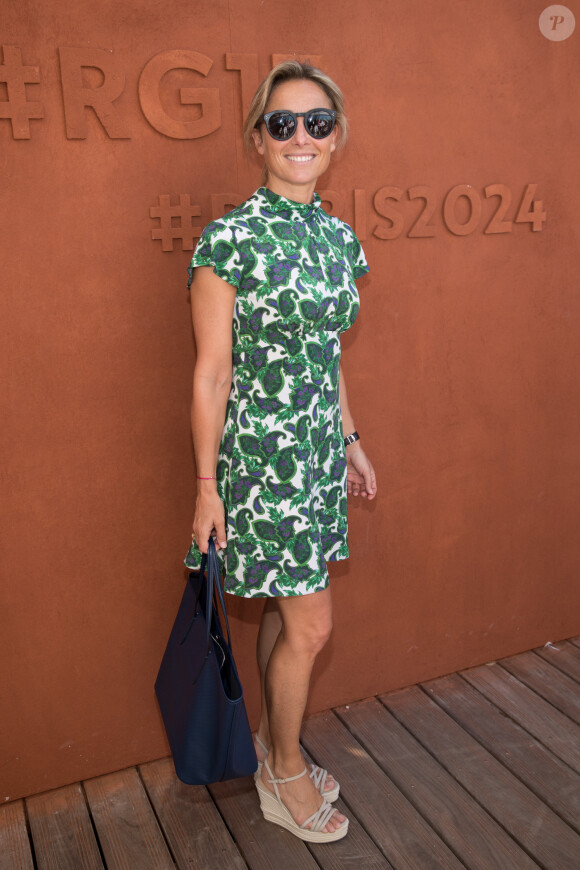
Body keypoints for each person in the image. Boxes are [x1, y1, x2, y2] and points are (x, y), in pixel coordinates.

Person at [185, 60, 377, 843]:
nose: (301, 136)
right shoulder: (228, 239)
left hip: (318, 455)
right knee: (311, 626)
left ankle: (271, 742)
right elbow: (212, 372)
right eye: (283, 123)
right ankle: (284, 771)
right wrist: (206, 487)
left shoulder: (337, 235)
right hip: (261, 467)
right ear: (257, 138)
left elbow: (326, 356)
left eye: (318, 123)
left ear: (337, 137)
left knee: (277, 607)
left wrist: (352, 439)